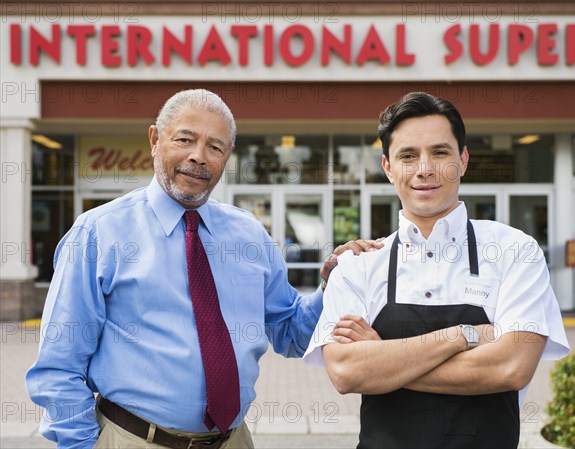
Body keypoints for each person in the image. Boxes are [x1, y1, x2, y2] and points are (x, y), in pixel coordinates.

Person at [26, 88, 382, 449]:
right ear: (154, 139)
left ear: (227, 157)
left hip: (233, 440)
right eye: (185, 139)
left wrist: (330, 285)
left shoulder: (250, 236)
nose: (198, 156)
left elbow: (291, 332)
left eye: (215, 147)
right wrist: (82, 445)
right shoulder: (99, 234)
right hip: (133, 439)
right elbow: (59, 366)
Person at [304, 92, 570, 449]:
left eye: (440, 152)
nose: (424, 169)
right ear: (388, 167)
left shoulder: (515, 251)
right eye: (408, 156)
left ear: (462, 160)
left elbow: (511, 368)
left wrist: (384, 358)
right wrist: (463, 336)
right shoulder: (356, 264)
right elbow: (346, 372)